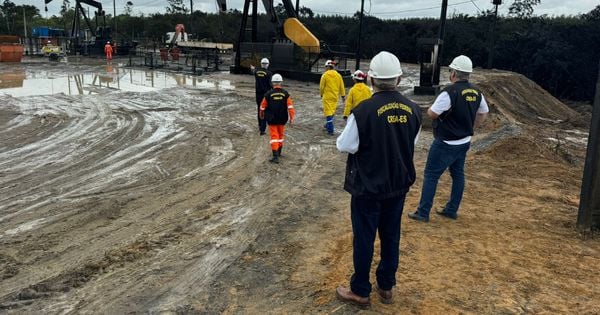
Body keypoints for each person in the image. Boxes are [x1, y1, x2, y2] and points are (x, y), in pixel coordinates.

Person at [335, 51, 422, 307]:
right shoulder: (414, 110)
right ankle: (386, 287)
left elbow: (345, 145)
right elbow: (409, 142)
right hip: (397, 186)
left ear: (371, 80)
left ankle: (361, 291)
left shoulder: (363, 111)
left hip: (368, 188)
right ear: (399, 78)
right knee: (391, 235)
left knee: (364, 238)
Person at [408, 55, 489, 223]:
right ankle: (452, 209)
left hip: (445, 142)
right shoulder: (477, 92)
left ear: (454, 73)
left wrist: (432, 108)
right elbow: (483, 112)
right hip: (464, 141)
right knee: (458, 174)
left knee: (431, 175)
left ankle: (423, 212)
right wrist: (472, 128)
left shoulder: (449, 92)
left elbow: (432, 113)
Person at [259, 74, 295, 164]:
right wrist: (291, 118)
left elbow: (262, 107)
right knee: (281, 135)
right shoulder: (285, 94)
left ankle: (275, 157)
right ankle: (279, 152)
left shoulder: (268, 94)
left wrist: (262, 115)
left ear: (272, 83)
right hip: (283, 118)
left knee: (274, 136)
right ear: (281, 82)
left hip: (272, 119)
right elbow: (290, 107)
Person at [320, 60, 345, 135]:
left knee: (328, 113)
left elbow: (321, 87)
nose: (325, 68)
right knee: (332, 111)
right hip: (335, 97)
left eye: (326, 67)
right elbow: (342, 86)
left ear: (328, 67)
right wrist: (343, 96)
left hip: (327, 97)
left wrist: (321, 94)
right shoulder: (338, 75)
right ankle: (327, 125)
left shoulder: (325, 75)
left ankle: (330, 130)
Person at [251, 58, 273, 135]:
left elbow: (253, 71)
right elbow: (271, 85)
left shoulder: (256, 72)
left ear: (261, 64)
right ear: (267, 64)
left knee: (259, 109)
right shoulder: (269, 73)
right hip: (266, 95)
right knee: (265, 111)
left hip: (258, 95)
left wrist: (253, 68)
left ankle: (260, 125)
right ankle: (262, 129)